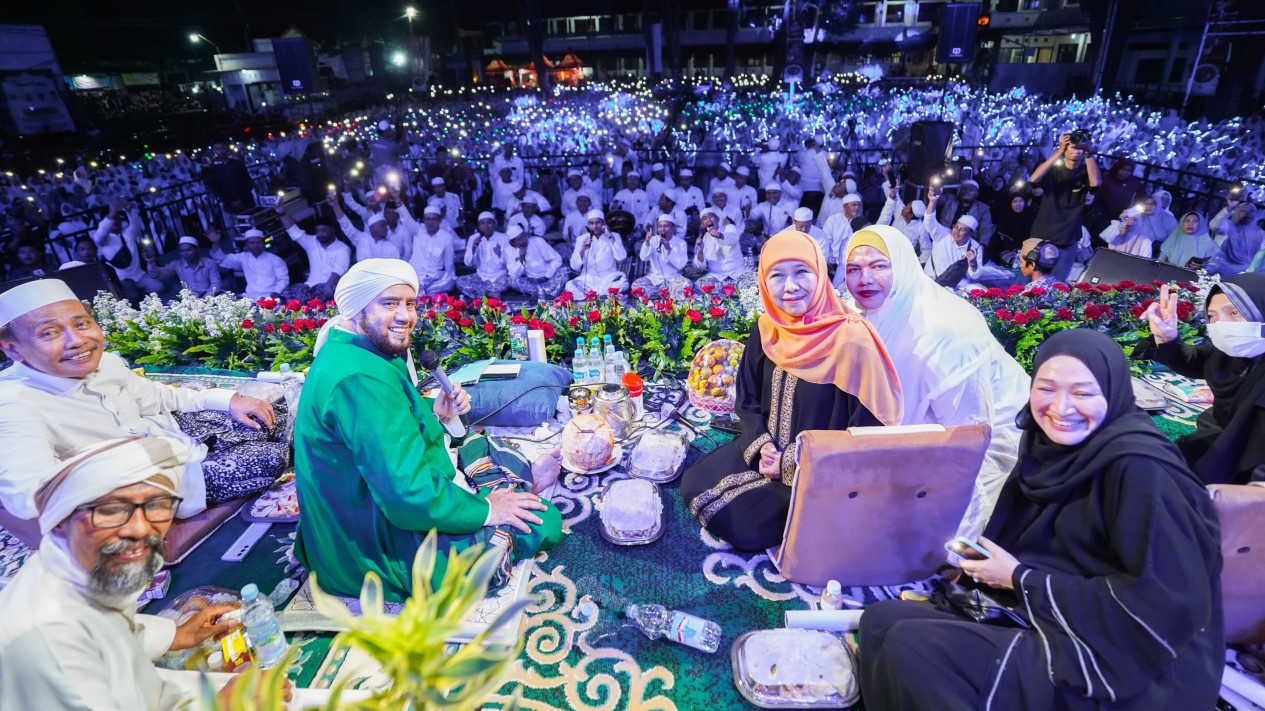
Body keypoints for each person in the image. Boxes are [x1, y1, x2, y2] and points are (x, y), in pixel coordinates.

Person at [859, 329, 1223, 711]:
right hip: (1052, 611)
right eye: (1046, 389)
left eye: (1082, 393)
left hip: (1125, 654)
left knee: (913, 648)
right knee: (880, 621)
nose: (1061, 408)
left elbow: (1166, 606)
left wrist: (1020, 579)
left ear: (1113, 394)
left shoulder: (1142, 470)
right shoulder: (1045, 445)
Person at [294, 259, 563, 600]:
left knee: (480, 444)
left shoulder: (352, 349)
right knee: (542, 521)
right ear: (357, 307)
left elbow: (394, 428)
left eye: (410, 304)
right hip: (370, 545)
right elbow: (406, 494)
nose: (405, 316)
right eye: (389, 303)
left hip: (357, 513)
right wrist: (488, 510)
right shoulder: (359, 378)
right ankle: (522, 488)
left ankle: (515, 486)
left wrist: (437, 414)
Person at [0, 437, 272, 709]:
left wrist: (174, 635)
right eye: (111, 510)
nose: (140, 529)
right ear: (60, 521)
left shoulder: (75, 568)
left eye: (156, 505)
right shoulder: (48, 640)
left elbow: (107, 625)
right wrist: (223, 704)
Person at [680, 230, 902, 551]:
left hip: (818, 469)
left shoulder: (852, 342)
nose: (790, 287)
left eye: (802, 272)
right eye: (777, 275)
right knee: (694, 483)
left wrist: (792, 461)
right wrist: (761, 447)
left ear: (820, 272)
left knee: (747, 528)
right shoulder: (767, 327)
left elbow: (867, 436)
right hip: (762, 449)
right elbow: (747, 398)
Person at [0, 279, 277, 525]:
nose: (77, 341)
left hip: (172, 435)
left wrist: (230, 400)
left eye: (81, 323)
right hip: (161, 485)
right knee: (270, 458)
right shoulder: (13, 405)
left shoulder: (104, 362)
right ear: (11, 348)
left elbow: (157, 397)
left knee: (270, 414)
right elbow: (29, 495)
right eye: (49, 332)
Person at [844, 226, 1028, 537]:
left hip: (987, 430)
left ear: (902, 266)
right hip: (914, 430)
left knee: (928, 537)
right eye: (853, 269)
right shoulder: (856, 310)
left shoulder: (944, 330)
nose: (864, 279)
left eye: (879, 266)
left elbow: (969, 438)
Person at [1136, 275, 1265, 485]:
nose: (1221, 324)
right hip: (1222, 434)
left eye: (1235, 313)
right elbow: (1197, 360)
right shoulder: (1232, 352)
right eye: (1212, 315)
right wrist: (1166, 337)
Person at [1028, 132, 1101, 282]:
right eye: (1071, 147)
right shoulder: (1053, 170)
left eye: (1079, 148)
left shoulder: (1087, 171)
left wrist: (1089, 152)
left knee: (1057, 283)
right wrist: (1059, 150)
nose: (1075, 150)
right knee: (1028, 278)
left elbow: (1095, 184)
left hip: (1068, 235)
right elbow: (1034, 179)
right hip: (1042, 232)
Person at [276, 202, 350, 302]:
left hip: (330, 287)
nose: (320, 234)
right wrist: (282, 214)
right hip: (310, 287)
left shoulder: (343, 248)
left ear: (333, 230)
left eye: (324, 230)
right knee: (286, 295)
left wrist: (327, 286)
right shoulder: (311, 242)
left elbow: (339, 270)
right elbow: (294, 231)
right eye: (318, 231)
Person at [565, 210, 628, 295]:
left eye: (598, 222)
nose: (595, 226)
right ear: (588, 224)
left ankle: (592, 295)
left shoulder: (614, 236)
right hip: (589, 279)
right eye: (592, 223)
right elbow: (574, 266)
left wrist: (610, 236)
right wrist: (582, 249)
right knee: (569, 285)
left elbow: (621, 257)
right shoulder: (582, 239)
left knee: (624, 283)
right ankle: (602, 294)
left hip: (609, 277)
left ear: (603, 223)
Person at [632, 214, 691, 299]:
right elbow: (643, 258)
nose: (662, 229)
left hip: (674, 278)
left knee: (686, 285)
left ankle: (662, 293)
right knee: (636, 285)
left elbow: (681, 265)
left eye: (666, 226)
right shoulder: (653, 240)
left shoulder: (681, 243)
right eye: (660, 226)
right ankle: (666, 293)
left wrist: (669, 248)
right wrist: (647, 242)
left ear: (673, 228)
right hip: (655, 279)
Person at [457, 212, 511, 300]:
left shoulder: (504, 238)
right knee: (460, 281)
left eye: (489, 222)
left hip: (499, 276)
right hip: (481, 277)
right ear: (479, 226)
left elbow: (509, 263)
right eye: (483, 223)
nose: (486, 225)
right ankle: (491, 294)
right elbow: (468, 263)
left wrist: (500, 254)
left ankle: (482, 293)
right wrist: (473, 248)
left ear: (494, 224)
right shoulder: (473, 238)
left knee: (509, 281)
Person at [504, 225, 566, 300]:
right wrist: (521, 258)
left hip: (548, 277)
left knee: (563, 275)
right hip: (531, 282)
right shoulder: (508, 250)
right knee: (512, 281)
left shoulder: (537, 241)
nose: (524, 240)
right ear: (513, 243)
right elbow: (514, 274)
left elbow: (557, 259)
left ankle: (542, 291)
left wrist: (547, 276)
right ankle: (544, 290)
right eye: (519, 239)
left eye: (524, 237)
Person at [1207, 197, 1264, 276]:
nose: (1247, 213)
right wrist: (1228, 209)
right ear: (1236, 212)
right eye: (1243, 211)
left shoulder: (1260, 233)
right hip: (1218, 270)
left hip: (1242, 273)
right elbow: (1215, 226)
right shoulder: (1227, 225)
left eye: (1251, 211)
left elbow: (1261, 255)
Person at [148, 236, 222, 296]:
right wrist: (151, 263)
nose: (185, 253)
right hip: (190, 298)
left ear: (197, 249)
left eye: (188, 250)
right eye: (182, 251)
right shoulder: (177, 264)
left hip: (210, 295)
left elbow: (216, 284)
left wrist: (207, 298)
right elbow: (160, 274)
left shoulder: (209, 263)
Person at [409, 205, 457, 294]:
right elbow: (406, 218)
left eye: (434, 219)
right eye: (428, 219)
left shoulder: (446, 237)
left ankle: (423, 293)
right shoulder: (418, 231)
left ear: (440, 220)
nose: (430, 222)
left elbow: (449, 262)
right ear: (423, 220)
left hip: (435, 277)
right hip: (416, 275)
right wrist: (397, 199)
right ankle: (427, 292)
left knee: (449, 281)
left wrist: (452, 280)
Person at [934, 180, 995, 247]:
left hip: (966, 245)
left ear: (976, 194)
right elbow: (935, 199)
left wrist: (982, 245)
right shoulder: (949, 199)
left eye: (971, 189)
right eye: (964, 189)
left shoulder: (983, 208)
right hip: (944, 238)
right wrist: (936, 188)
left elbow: (986, 229)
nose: (967, 191)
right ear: (960, 191)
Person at [989, 192, 1035, 266]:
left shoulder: (1030, 217)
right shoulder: (1005, 219)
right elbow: (1003, 239)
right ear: (1010, 203)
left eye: (1021, 201)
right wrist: (1016, 251)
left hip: (1029, 251)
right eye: (1015, 201)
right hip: (1009, 250)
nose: (1018, 204)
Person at [823, 193, 865, 267]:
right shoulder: (833, 220)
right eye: (854, 205)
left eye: (858, 205)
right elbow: (826, 241)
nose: (857, 207)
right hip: (832, 262)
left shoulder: (861, 221)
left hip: (852, 262)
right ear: (844, 206)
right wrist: (825, 260)